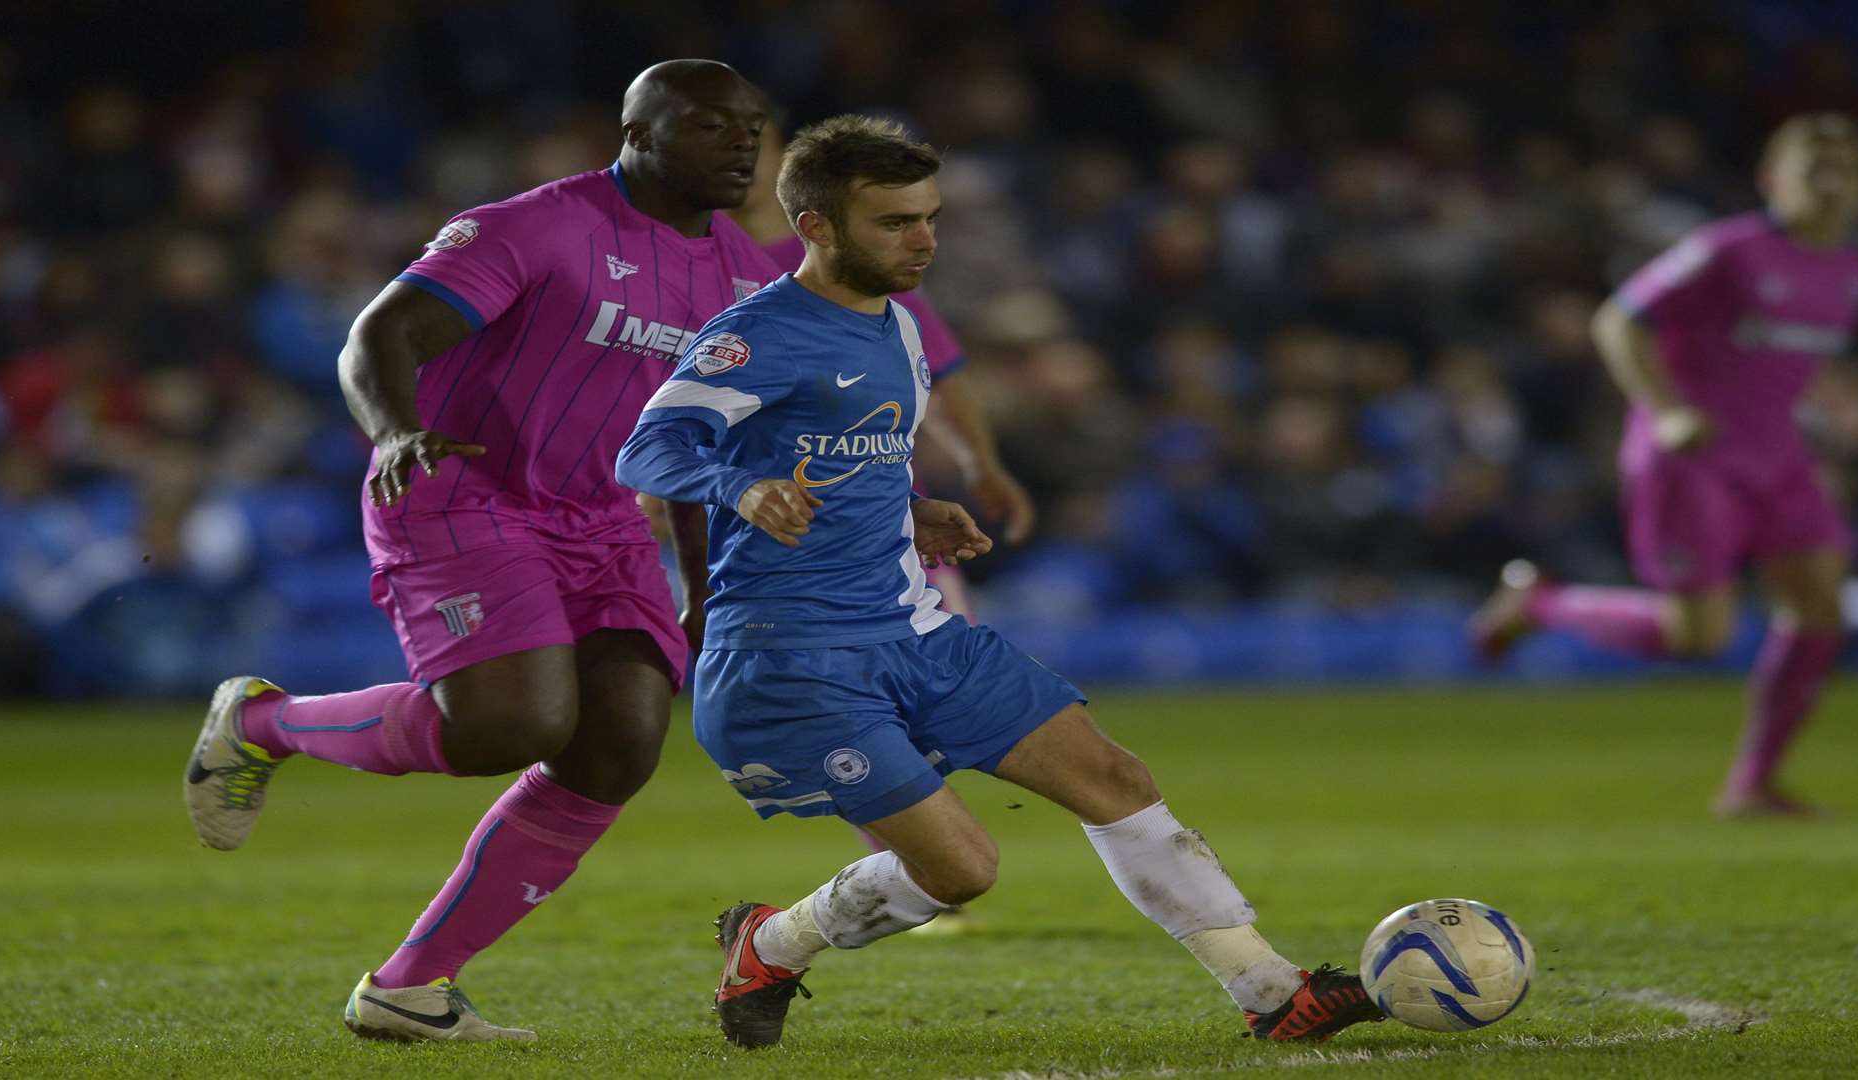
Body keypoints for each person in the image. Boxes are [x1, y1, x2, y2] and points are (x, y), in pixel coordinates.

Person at [616, 114, 1383, 1048]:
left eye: (930, 217)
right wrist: (741, 483)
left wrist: (916, 510)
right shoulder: (757, 336)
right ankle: (773, 942)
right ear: (816, 226)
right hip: (790, 656)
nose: (924, 240)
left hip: (914, 628)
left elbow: (854, 460)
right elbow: (649, 446)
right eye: (895, 222)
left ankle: (1273, 992)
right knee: (962, 873)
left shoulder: (897, 328)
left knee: (1114, 775)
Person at [183, 60, 783, 1041]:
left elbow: (707, 439)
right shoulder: (539, 225)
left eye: (751, 126)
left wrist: (709, 580)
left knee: (621, 739)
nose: (742, 143)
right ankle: (264, 725)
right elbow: (380, 335)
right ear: (636, 133)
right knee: (508, 726)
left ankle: (409, 988)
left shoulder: (748, 277)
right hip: (462, 489)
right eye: (713, 125)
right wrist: (393, 433)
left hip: (599, 516)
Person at [1471, 114, 1858, 818]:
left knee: (1820, 605)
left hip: (1780, 457)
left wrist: (1852, 416)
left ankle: (1752, 785)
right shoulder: (1726, 250)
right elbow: (1617, 321)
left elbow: (1792, 362)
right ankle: (1540, 603)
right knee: (1699, 638)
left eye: (1844, 170)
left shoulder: (1852, 272)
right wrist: (1664, 411)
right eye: (1814, 169)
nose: (1830, 184)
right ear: (1771, 181)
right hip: (1693, 457)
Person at [728, 111, 1036, 915]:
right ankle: (925, 865)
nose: (734, 156)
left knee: (921, 676)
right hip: (751, 534)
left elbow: (937, 357)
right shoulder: (695, 268)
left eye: (746, 139)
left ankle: (929, 863)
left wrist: (978, 463)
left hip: (877, 522)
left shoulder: (856, 257)